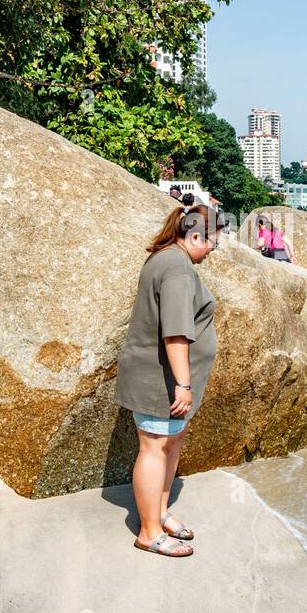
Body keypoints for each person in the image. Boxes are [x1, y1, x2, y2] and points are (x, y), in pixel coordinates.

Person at [114, 204, 219, 557]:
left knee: (170, 445)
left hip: (165, 379)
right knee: (155, 448)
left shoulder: (169, 261)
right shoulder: (175, 267)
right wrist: (184, 385)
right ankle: (148, 531)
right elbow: (175, 333)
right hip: (160, 380)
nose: (211, 251)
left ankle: (159, 513)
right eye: (212, 244)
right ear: (193, 236)